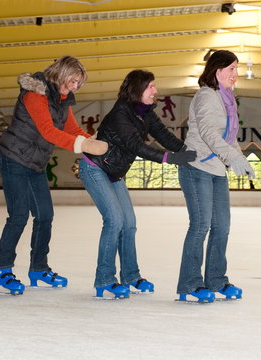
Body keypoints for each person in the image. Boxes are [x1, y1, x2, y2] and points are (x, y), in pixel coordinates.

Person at [0, 56, 108, 295]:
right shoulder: (35, 93)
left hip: (35, 163)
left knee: (45, 215)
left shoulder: (62, 100)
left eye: (79, 83)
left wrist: (93, 140)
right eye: (74, 80)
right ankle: (2, 270)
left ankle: (38, 268)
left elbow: (72, 129)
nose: (76, 86)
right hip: (14, 157)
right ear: (62, 74)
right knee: (19, 216)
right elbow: (48, 131)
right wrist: (83, 146)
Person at [79, 69, 196, 299]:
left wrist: (185, 151)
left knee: (129, 224)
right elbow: (136, 146)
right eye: (151, 86)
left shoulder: (145, 113)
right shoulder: (120, 115)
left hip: (115, 172)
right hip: (95, 168)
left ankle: (131, 276)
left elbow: (162, 134)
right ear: (138, 89)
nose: (156, 91)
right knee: (114, 221)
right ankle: (104, 280)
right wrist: (169, 158)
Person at [176, 50, 255, 303]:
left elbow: (228, 138)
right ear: (217, 70)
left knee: (222, 227)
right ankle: (190, 284)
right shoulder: (206, 96)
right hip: (197, 167)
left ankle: (216, 280)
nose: (236, 74)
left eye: (237, 68)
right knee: (200, 226)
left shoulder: (227, 98)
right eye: (232, 68)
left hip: (217, 169)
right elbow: (210, 134)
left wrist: (240, 157)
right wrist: (233, 158)